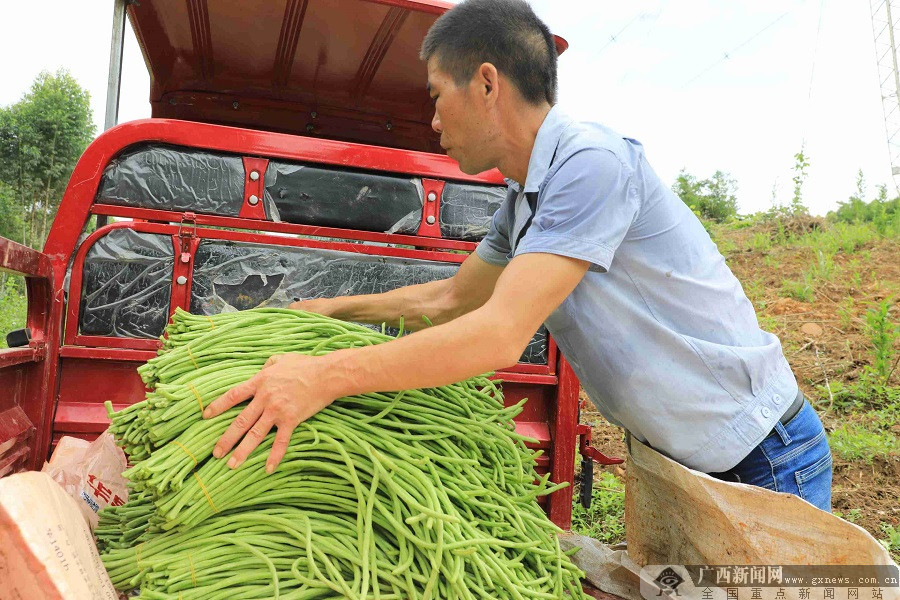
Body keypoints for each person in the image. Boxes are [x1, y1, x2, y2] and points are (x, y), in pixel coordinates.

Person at [202, 0, 833, 511]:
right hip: (686, 462)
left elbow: (500, 334)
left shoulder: (592, 164)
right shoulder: (524, 196)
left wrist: (324, 376)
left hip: (763, 459)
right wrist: (333, 313)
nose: (432, 121)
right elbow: (451, 298)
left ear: (485, 84)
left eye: (435, 94)